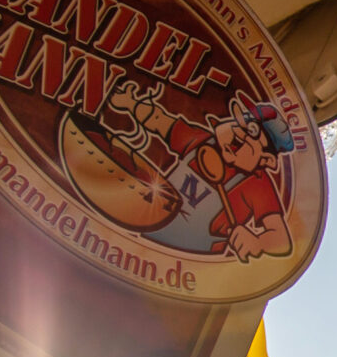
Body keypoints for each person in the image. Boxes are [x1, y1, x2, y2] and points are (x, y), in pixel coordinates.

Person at [111, 81, 294, 261]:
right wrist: (130, 103)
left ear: (266, 159)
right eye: (239, 123)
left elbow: (282, 239)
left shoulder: (257, 183)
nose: (237, 133)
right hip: (137, 237)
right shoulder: (203, 143)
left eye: (250, 135)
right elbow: (160, 122)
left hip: (184, 264)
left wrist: (257, 242)